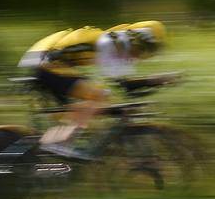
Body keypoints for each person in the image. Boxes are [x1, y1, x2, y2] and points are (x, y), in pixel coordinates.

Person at [17, 21, 166, 156]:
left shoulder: (116, 42)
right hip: (45, 62)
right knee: (97, 97)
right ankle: (59, 143)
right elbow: (122, 85)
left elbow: (122, 85)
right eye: (141, 50)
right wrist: (152, 80)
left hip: (45, 60)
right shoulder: (110, 42)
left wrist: (153, 82)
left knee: (83, 107)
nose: (138, 56)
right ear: (135, 39)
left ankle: (53, 146)